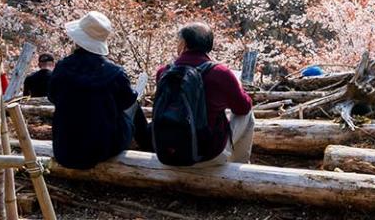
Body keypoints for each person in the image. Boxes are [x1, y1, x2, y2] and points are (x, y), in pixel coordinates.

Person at [49, 11, 148, 169]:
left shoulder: (61, 67)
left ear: (78, 39)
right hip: (102, 148)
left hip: (65, 149)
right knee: (134, 105)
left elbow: (52, 97)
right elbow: (127, 102)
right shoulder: (115, 73)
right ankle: (149, 146)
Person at [155, 22, 255, 164]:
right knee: (248, 113)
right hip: (206, 155)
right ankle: (239, 166)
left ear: (183, 43)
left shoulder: (164, 72)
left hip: (167, 152)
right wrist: (237, 86)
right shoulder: (221, 73)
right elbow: (243, 107)